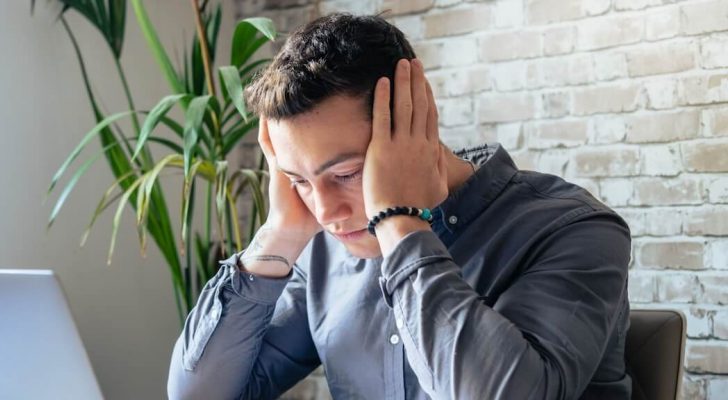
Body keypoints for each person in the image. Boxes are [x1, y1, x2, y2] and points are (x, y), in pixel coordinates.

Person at [167, 12, 631, 400]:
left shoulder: (574, 230)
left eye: (345, 174)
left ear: (416, 120)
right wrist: (279, 234)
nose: (325, 211)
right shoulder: (328, 246)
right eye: (299, 181)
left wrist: (399, 222)